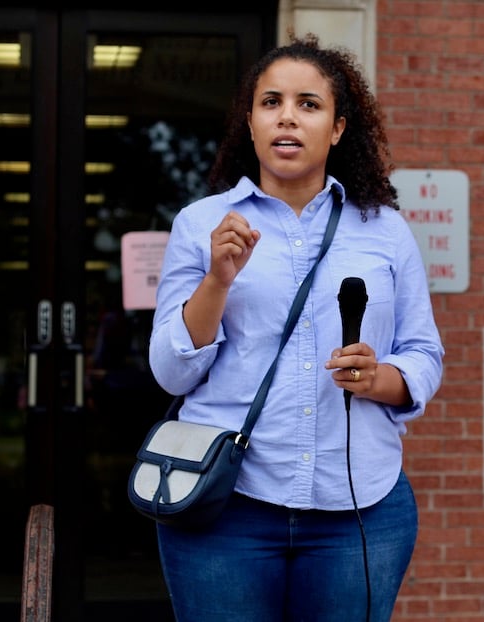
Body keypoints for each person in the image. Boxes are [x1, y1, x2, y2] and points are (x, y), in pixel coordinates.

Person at [148, 33, 444, 621]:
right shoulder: (202, 225)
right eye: (271, 102)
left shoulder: (384, 229)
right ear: (251, 123)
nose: (288, 117)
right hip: (224, 506)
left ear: (337, 128)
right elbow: (171, 372)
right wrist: (217, 280)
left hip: (359, 507)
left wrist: (378, 378)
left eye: (309, 104)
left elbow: (423, 352)